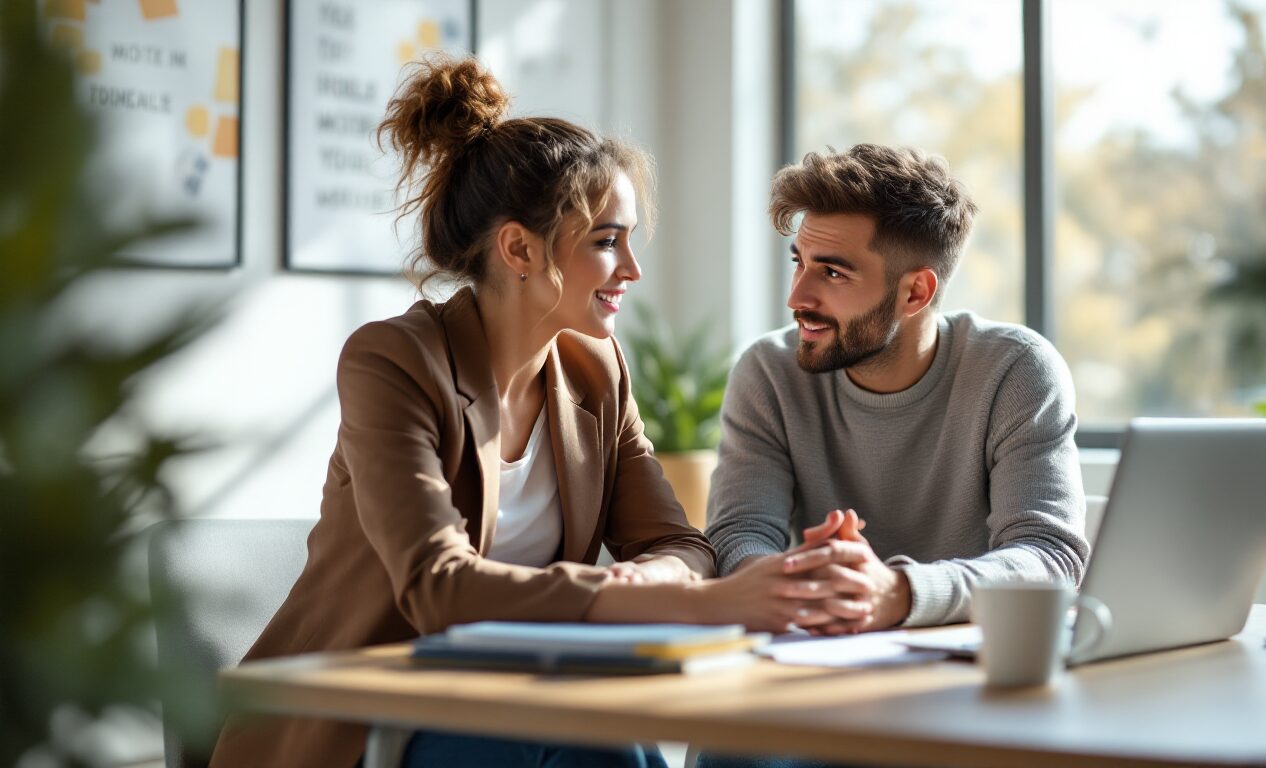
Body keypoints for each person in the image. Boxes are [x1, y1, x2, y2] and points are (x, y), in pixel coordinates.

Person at [208, 58, 860, 768]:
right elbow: (439, 588)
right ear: (519, 248)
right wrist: (705, 604)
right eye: (608, 241)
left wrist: (652, 580)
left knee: (620, 747)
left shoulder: (597, 371)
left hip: (525, 699)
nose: (633, 270)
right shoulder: (393, 361)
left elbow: (683, 545)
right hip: (369, 716)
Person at [705, 144, 1090, 639]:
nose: (796, 298)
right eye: (799, 262)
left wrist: (900, 593)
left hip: (970, 673)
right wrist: (801, 582)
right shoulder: (769, 373)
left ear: (915, 293)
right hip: (819, 664)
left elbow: (1049, 556)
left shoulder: (1015, 371)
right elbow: (740, 535)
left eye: (833, 272)